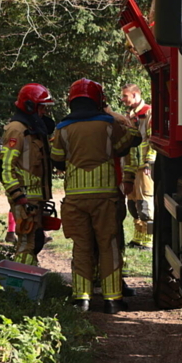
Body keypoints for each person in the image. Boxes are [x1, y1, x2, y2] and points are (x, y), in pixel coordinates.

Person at [51, 78, 141, 313]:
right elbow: (130, 142)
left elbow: (57, 159)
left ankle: (82, 298)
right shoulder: (109, 124)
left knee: (81, 246)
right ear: (99, 100)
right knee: (109, 246)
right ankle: (112, 300)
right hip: (106, 197)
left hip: (75, 199)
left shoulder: (62, 128)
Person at [0, 83, 56, 265]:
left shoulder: (34, 130)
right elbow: (5, 166)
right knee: (27, 242)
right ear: (30, 106)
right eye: (41, 108)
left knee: (36, 240)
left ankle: (30, 271)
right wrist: (17, 195)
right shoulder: (17, 130)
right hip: (24, 198)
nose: (44, 112)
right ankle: (22, 277)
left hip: (35, 198)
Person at [120, 83, 155, 248]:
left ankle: (148, 240)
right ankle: (138, 238)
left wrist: (149, 162)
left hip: (143, 167)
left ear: (135, 94)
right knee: (133, 204)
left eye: (125, 96)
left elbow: (152, 139)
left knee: (144, 203)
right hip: (131, 167)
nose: (122, 99)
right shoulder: (130, 115)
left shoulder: (148, 113)